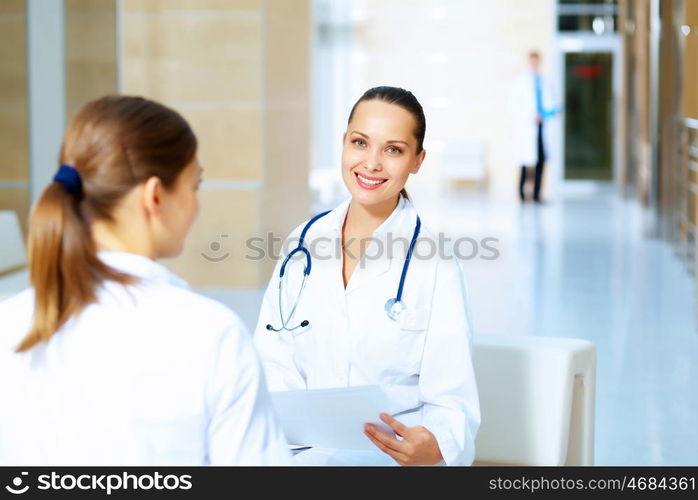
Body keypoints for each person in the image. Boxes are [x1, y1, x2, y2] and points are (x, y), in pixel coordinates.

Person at [0, 95, 290, 465]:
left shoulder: (9, 325)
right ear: (155, 195)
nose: (196, 205)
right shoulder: (209, 334)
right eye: (193, 186)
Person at [253, 86, 480, 466]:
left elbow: (450, 400)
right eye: (360, 143)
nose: (371, 163)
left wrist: (435, 445)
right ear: (344, 143)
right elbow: (273, 357)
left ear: (417, 160)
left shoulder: (436, 263)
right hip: (298, 454)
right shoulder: (302, 243)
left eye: (393, 149)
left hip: (389, 457)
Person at [513, 50, 558, 203]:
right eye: (532, 61)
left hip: (541, 127)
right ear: (529, 61)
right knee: (525, 163)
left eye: (537, 61)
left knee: (540, 161)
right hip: (527, 127)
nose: (534, 64)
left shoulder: (544, 81)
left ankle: (537, 195)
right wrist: (530, 116)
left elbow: (550, 103)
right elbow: (515, 106)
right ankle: (521, 194)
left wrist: (549, 113)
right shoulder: (521, 82)